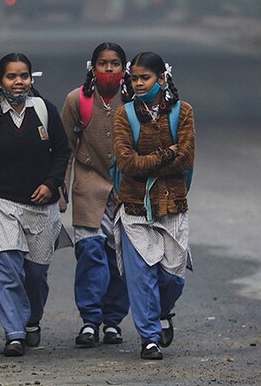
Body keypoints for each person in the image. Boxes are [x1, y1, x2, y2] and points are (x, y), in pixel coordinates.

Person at [0, 53, 71, 357]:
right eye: (11, 76)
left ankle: (32, 319)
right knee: (6, 265)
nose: (18, 82)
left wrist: (51, 184)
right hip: (0, 201)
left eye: (24, 76)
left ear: (32, 78)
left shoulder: (45, 111)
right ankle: (14, 332)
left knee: (35, 274)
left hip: (41, 206)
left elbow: (61, 151)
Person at [113, 52, 194, 360]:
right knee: (141, 276)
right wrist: (165, 156)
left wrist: (149, 162)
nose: (138, 83)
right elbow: (126, 163)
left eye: (144, 78)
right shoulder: (125, 115)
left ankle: (162, 311)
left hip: (172, 205)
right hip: (134, 208)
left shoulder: (183, 112)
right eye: (133, 78)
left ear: (161, 78)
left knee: (172, 278)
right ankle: (149, 338)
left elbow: (186, 158)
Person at [60, 43, 131, 348]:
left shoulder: (132, 100)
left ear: (124, 69)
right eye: (103, 63)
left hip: (127, 192)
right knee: (90, 253)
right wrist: (59, 188)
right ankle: (90, 320)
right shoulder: (77, 100)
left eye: (115, 63)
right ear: (93, 67)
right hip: (88, 187)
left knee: (120, 259)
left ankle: (113, 320)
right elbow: (63, 149)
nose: (109, 69)